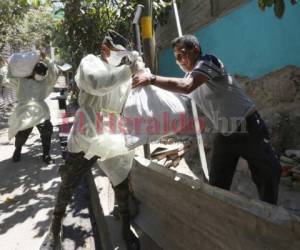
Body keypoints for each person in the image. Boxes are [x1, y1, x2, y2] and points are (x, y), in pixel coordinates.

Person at [132, 34, 281, 205]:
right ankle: (218, 214)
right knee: (217, 183)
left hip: (248, 126)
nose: (179, 61)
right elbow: (178, 91)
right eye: (176, 58)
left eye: (181, 55)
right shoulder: (190, 76)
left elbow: (186, 87)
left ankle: (270, 218)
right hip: (226, 133)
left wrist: (151, 79)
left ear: (195, 50)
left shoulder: (209, 62)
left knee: (267, 175)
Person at [42, 30, 140, 250]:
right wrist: (128, 71)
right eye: (117, 52)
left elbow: (131, 100)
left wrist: (142, 73)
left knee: (122, 181)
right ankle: (54, 227)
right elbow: (97, 83)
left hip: (113, 133)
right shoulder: (90, 63)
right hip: (88, 134)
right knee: (69, 182)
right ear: (105, 49)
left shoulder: (124, 74)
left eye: (124, 54)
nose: (121, 57)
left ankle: (125, 226)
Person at [5, 51, 58, 164]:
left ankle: (46, 155)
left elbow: (53, 74)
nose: (39, 77)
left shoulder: (44, 81)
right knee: (21, 133)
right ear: (33, 71)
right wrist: (8, 66)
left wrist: (47, 59)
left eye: (42, 75)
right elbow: (8, 77)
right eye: (37, 74)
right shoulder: (22, 80)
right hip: (25, 110)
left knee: (47, 129)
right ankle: (18, 149)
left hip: (40, 110)